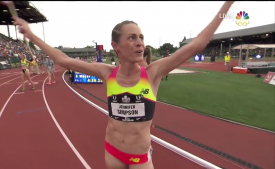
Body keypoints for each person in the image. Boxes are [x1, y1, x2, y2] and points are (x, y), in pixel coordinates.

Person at [13, 2, 234, 168]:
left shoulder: (153, 73)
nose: (139, 42)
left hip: (140, 158)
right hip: (112, 152)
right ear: (115, 46)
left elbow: (198, 44)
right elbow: (63, 59)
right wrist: (31, 34)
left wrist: (227, 5)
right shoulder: (106, 73)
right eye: (131, 38)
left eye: (141, 37)